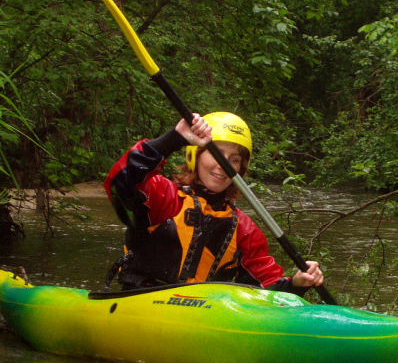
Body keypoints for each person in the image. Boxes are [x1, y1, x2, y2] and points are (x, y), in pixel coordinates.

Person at [103, 111, 323, 295]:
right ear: (195, 156)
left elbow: (266, 288)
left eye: (234, 159)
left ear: (240, 170)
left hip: (202, 314)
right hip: (141, 301)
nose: (223, 165)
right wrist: (174, 138)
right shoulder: (163, 195)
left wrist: (295, 284)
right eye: (216, 153)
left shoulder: (244, 229)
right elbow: (121, 180)